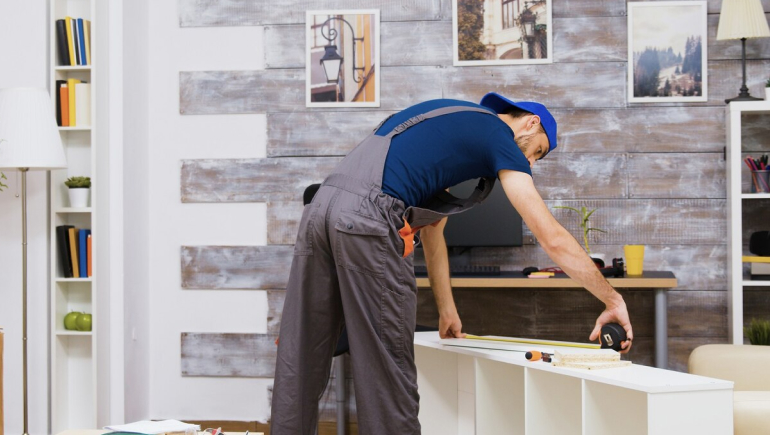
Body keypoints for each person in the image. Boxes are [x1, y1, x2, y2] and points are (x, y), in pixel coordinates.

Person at [270, 93, 634, 434]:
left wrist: (447, 310)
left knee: (301, 351)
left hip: (319, 210)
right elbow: (551, 237)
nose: (530, 162)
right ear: (530, 123)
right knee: (387, 371)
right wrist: (612, 299)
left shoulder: (451, 122)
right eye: (537, 152)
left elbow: (432, 232)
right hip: (367, 218)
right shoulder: (497, 134)